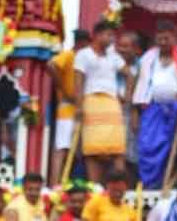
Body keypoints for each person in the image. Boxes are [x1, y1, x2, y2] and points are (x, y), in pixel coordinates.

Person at [134, 20, 177, 189]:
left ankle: (164, 186)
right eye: (160, 39)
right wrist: (136, 114)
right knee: (147, 147)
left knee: (171, 150)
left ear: (173, 38)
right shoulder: (148, 59)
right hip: (151, 110)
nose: (163, 42)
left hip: (174, 112)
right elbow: (140, 86)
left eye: (166, 38)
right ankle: (148, 185)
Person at [74, 19, 130, 186]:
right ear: (97, 35)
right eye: (108, 35)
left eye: (113, 36)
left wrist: (126, 95)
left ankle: (120, 186)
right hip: (91, 102)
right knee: (92, 149)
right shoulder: (83, 55)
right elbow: (78, 81)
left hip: (112, 103)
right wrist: (79, 106)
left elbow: (129, 73)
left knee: (117, 148)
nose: (111, 39)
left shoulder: (114, 57)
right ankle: (96, 189)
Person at [50, 27, 90, 185]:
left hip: (81, 107)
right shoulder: (69, 55)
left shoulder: (83, 59)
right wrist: (64, 89)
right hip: (67, 107)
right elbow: (51, 65)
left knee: (77, 149)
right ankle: (55, 184)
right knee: (62, 147)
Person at [118, 30, 142, 180]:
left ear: (136, 49)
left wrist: (135, 111)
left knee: (133, 157)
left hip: (133, 115)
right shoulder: (114, 63)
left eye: (126, 46)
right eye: (120, 46)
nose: (122, 50)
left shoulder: (142, 66)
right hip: (113, 113)